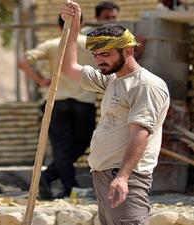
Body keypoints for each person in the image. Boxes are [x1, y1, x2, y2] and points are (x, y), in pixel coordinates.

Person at [61, 2, 170, 224]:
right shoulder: (111, 79)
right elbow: (68, 68)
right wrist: (73, 26)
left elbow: (140, 133)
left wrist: (123, 177)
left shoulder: (145, 85)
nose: (100, 60)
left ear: (128, 50)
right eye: (96, 54)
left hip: (127, 177)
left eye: (106, 54)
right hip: (104, 175)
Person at [18, 15, 96, 199]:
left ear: (58, 26)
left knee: (62, 148)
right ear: (81, 23)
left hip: (56, 102)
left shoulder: (52, 44)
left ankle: (48, 177)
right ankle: (70, 188)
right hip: (84, 103)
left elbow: (23, 62)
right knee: (81, 143)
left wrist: (40, 80)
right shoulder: (91, 43)